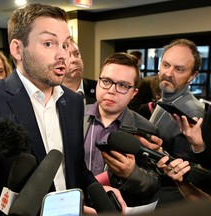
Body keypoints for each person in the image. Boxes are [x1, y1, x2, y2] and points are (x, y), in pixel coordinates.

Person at [0, 4, 125, 215]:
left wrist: (97, 189)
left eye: (65, 45)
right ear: (17, 49)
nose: (63, 55)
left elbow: (75, 167)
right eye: (49, 43)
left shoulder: (73, 102)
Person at [84, 52, 160, 207]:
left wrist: (132, 173)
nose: (111, 90)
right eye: (106, 81)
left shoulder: (146, 129)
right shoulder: (74, 116)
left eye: (123, 86)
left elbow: (153, 185)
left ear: (133, 93)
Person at [149, 38, 205, 207]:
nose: (168, 73)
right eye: (166, 65)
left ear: (192, 76)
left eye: (179, 69)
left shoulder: (191, 112)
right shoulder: (166, 99)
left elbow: (183, 172)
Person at [62, 39, 97, 104]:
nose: (74, 60)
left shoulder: (98, 88)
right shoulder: (49, 94)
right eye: (67, 56)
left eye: (76, 54)